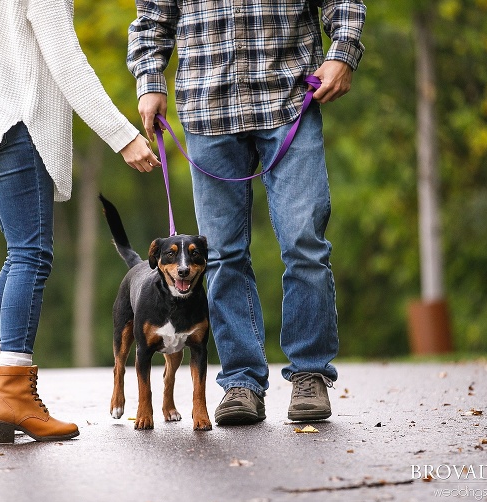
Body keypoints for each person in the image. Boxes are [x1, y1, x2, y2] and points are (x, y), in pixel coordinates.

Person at [128, 0, 365, 425]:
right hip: (207, 106)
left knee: (303, 241)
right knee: (220, 256)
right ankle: (241, 381)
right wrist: (149, 80)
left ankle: (309, 373)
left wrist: (343, 48)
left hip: (289, 97)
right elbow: (152, 17)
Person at [0, 0, 160, 442]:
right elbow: (65, 59)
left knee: (19, 254)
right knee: (30, 257)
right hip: (12, 120)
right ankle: (13, 396)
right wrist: (122, 135)